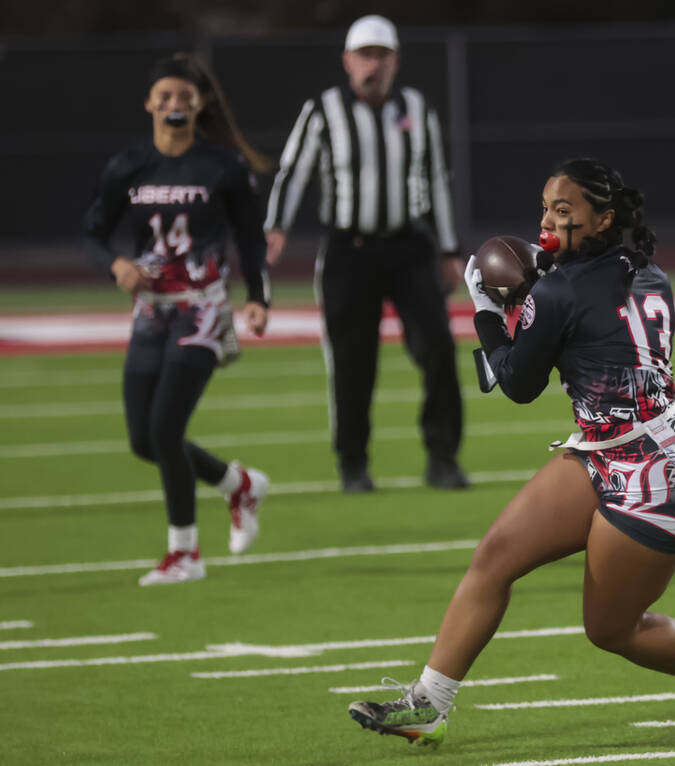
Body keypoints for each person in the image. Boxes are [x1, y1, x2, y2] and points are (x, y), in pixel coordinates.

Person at [345, 158, 675, 748]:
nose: (547, 220)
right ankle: (429, 703)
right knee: (494, 556)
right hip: (619, 447)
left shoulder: (560, 289)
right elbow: (595, 313)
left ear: (602, 219)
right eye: (545, 207)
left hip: (650, 477)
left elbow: (517, 384)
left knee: (611, 630)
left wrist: (489, 310)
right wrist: (540, 283)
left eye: (563, 211)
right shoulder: (647, 270)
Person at [83, 53, 273, 585]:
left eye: (183, 97)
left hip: (203, 311)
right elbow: (92, 232)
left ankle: (184, 552)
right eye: (164, 96)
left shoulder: (222, 166)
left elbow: (250, 239)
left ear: (200, 103)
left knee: (166, 429)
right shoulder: (129, 165)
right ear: (149, 103)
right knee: (143, 440)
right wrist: (117, 263)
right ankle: (237, 485)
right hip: (150, 312)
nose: (173, 104)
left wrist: (258, 296)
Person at [263, 14, 467, 493]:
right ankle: (353, 464)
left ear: (395, 61)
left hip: (409, 245)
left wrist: (450, 249)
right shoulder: (324, 109)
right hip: (348, 250)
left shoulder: (417, 107)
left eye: (382, 55)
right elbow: (294, 171)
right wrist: (275, 226)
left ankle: (443, 458)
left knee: (438, 348)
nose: (373, 64)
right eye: (365, 55)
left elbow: (436, 179)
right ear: (348, 61)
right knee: (353, 361)